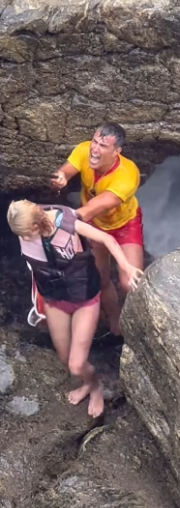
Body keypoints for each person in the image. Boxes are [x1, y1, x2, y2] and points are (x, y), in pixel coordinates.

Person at [7, 200, 144, 418]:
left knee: (76, 365)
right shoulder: (25, 227)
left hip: (83, 299)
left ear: (35, 226)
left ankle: (96, 385)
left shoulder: (67, 222)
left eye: (25, 233)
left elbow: (106, 238)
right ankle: (88, 383)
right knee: (65, 358)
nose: (23, 238)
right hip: (55, 299)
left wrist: (126, 266)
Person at [50, 123, 143, 336]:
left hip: (124, 225)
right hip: (94, 223)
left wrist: (63, 222)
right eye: (94, 141)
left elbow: (96, 206)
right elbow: (64, 171)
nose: (94, 149)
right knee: (100, 279)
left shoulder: (128, 174)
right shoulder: (84, 150)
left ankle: (138, 324)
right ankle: (115, 321)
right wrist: (59, 179)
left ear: (116, 151)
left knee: (131, 283)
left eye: (102, 145)